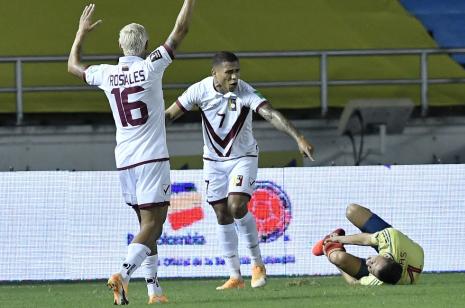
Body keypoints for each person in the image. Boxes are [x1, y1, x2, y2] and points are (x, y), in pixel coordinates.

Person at [67, 1, 195, 304]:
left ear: (120, 47)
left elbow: (72, 66)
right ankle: (123, 276)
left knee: (147, 227)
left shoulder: (107, 74)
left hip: (124, 161)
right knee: (154, 225)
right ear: (146, 45)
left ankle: (154, 291)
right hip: (151, 158)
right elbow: (181, 30)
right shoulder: (151, 65)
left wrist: (80, 33)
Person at [164, 51, 315, 289]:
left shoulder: (245, 92)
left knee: (236, 206)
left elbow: (270, 114)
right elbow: (170, 115)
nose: (234, 77)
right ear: (214, 73)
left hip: (243, 158)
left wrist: (298, 137)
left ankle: (257, 264)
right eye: (229, 73)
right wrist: (145, 131)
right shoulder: (198, 90)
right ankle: (235, 276)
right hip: (213, 161)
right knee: (222, 213)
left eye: (237, 71)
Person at [313, 203, 424, 286]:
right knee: (352, 210)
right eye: (373, 262)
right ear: (386, 256)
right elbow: (366, 239)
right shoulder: (391, 238)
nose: (368, 262)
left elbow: (354, 284)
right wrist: (339, 239)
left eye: (370, 268)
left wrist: (333, 261)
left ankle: (326, 245)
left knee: (337, 257)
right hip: (397, 245)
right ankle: (330, 243)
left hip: (395, 260)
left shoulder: (378, 282)